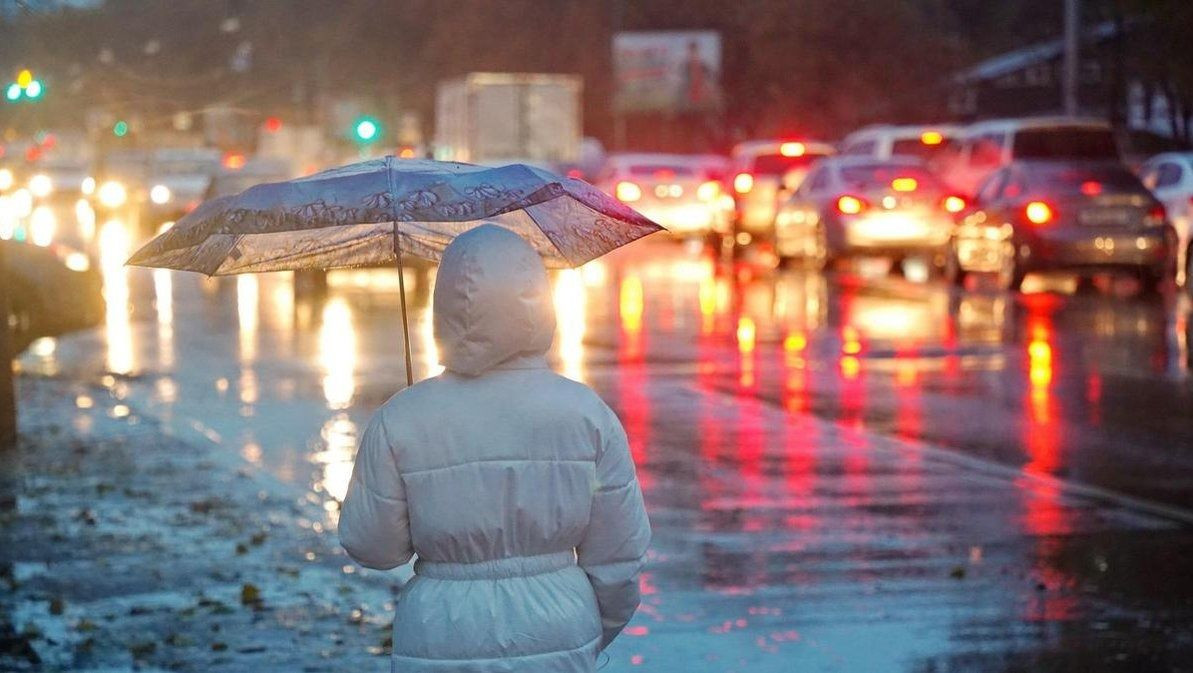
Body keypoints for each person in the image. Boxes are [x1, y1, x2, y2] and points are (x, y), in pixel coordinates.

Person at [339, 224, 652, 672]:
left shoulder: (402, 417)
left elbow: (372, 546)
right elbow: (619, 555)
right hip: (559, 627)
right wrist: (589, 629)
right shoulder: (586, 414)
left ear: (442, 307)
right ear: (537, 303)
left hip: (440, 633)